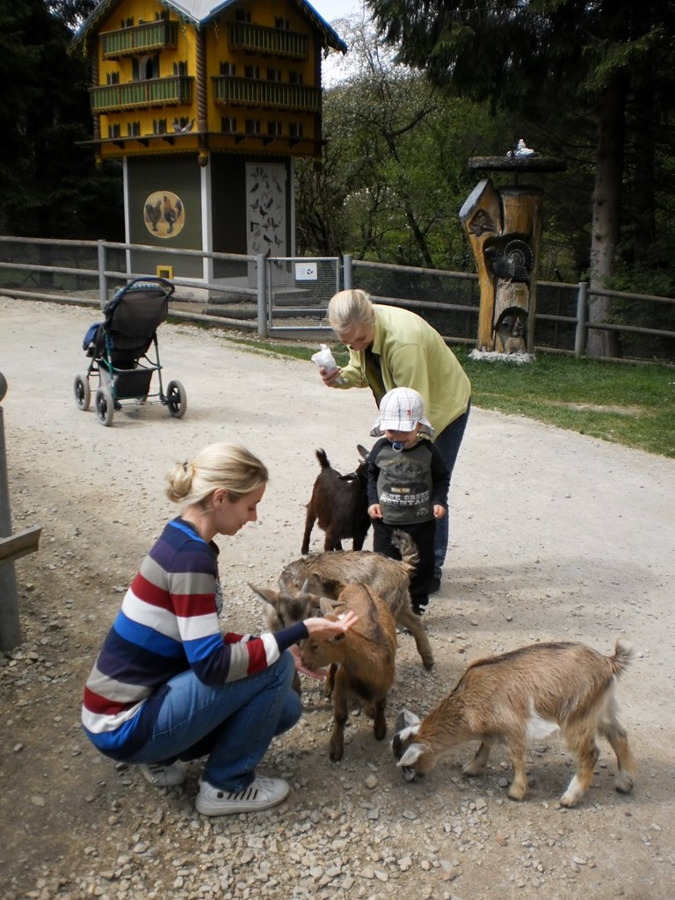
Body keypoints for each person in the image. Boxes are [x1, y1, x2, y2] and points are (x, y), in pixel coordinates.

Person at [81, 443, 356, 817]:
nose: (254, 517)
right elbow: (211, 666)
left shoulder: (182, 538)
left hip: (118, 710)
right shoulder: (191, 558)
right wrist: (296, 633)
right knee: (273, 666)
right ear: (221, 498)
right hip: (122, 723)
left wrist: (278, 645)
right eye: (250, 506)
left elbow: (196, 638)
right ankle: (226, 786)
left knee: (285, 705)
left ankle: (164, 752)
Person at [319, 289, 471, 591]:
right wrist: (340, 378)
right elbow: (361, 372)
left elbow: (414, 406)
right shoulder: (360, 332)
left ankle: (430, 570)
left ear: (370, 316)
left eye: (359, 341)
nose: (355, 347)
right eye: (348, 343)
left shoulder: (403, 343)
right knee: (402, 485)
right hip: (407, 412)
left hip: (441, 408)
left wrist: (402, 447)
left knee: (427, 487)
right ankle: (402, 561)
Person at [367, 387, 450, 615]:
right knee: (384, 566)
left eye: (405, 429)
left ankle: (415, 608)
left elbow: (442, 478)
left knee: (421, 566)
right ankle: (385, 608)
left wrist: (438, 501)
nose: (398, 435)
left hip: (420, 523)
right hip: (386, 521)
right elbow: (371, 475)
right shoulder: (380, 449)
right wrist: (372, 500)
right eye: (391, 429)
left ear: (419, 426)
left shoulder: (428, 452)